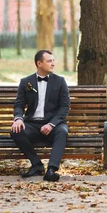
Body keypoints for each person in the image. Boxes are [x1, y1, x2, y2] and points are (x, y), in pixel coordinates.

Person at [11, 50, 70, 181]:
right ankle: (36, 164)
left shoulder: (60, 82)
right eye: (49, 61)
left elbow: (64, 107)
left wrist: (51, 124)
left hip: (54, 124)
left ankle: (51, 170)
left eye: (54, 60)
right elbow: (19, 104)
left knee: (63, 132)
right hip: (32, 124)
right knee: (16, 131)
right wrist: (18, 119)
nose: (53, 64)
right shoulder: (26, 82)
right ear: (39, 63)